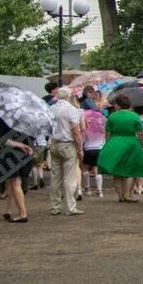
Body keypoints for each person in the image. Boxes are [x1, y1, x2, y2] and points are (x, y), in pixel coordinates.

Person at [98, 93, 143, 203]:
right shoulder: (134, 116)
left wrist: (108, 145)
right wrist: (142, 145)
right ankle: (128, 195)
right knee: (130, 171)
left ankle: (120, 196)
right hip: (131, 143)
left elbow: (108, 134)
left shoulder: (112, 116)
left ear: (118, 105)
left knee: (117, 172)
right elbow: (140, 134)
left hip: (115, 143)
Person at [46, 87, 85, 217]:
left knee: (55, 177)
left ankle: (55, 206)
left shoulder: (51, 109)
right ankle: (70, 206)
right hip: (68, 144)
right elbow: (75, 130)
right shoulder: (71, 110)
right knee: (70, 177)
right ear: (69, 96)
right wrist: (80, 148)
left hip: (54, 144)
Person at [0, 117, 34, 224]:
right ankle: (9, 210)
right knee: (16, 183)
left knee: (15, 183)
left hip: (11, 154)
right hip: (27, 152)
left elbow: (3, 139)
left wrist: (18, 144)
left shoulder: (5, 118)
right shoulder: (28, 118)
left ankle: (22, 214)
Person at [80, 107, 107, 198]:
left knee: (85, 168)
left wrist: (80, 149)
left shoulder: (86, 129)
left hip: (88, 149)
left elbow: (82, 140)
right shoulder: (102, 129)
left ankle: (87, 189)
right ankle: (99, 191)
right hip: (99, 149)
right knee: (97, 169)